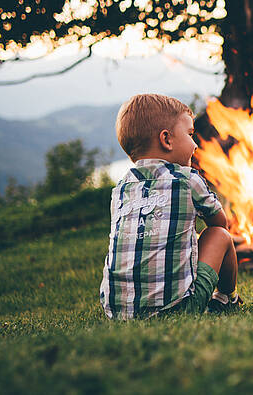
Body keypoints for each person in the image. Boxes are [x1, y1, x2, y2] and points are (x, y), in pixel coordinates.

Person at [99, 94, 241, 319]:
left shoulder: (121, 189)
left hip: (118, 311)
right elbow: (219, 222)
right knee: (219, 235)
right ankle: (227, 297)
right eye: (190, 134)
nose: (195, 144)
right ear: (166, 139)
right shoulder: (186, 179)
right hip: (178, 308)